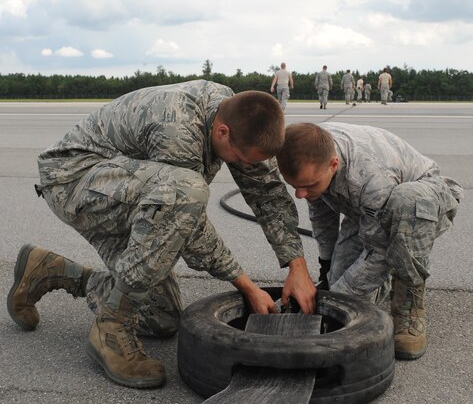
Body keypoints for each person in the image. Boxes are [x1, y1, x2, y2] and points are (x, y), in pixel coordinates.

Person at [7, 80, 316, 388]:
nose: (240, 166)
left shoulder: (241, 116)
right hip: (72, 179)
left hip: (126, 188)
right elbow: (186, 222)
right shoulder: (177, 128)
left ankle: (52, 271)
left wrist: (297, 267)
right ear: (222, 132)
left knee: (163, 317)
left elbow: (267, 192)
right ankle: (111, 328)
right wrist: (246, 284)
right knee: (187, 193)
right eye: (238, 159)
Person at [276, 122, 463, 361]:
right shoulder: (308, 148)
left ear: (333, 165)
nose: (299, 194)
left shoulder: (370, 177)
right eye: (295, 186)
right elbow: (322, 216)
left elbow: (379, 251)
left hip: (422, 199)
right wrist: (327, 264)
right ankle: (375, 284)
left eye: (308, 186)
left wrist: (339, 296)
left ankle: (409, 300)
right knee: (340, 282)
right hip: (366, 210)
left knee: (405, 207)